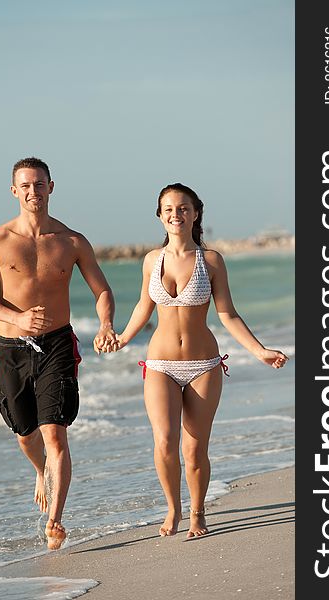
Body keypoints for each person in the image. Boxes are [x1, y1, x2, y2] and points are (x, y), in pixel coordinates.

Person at [111, 183, 288, 539]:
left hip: (203, 366)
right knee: (164, 441)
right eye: (169, 209)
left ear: (195, 213)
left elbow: (229, 315)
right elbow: (143, 309)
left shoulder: (211, 261)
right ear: (160, 216)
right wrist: (120, 338)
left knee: (194, 449)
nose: (176, 214)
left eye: (183, 208)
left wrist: (260, 351)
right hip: (160, 364)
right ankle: (173, 508)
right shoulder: (151, 261)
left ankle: (197, 511)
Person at [0, 157, 117, 550]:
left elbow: (102, 290)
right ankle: (40, 472)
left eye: (39, 184)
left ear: (52, 187)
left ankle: (55, 520)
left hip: (57, 345)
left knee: (56, 434)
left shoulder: (72, 242)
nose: (33, 192)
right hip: (11, 348)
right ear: (14, 191)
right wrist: (15, 319)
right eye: (25, 185)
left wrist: (104, 325)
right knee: (24, 433)